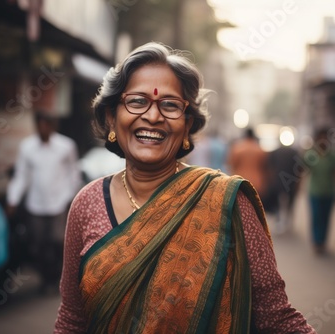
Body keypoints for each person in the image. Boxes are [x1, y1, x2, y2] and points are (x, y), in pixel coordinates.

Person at [53, 42, 315, 333]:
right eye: (137, 101)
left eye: (169, 105)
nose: (153, 116)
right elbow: (72, 320)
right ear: (112, 117)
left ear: (187, 125)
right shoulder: (87, 203)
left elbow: (277, 319)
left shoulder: (227, 203)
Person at [7, 111, 82, 290]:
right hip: (36, 203)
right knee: (37, 243)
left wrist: (71, 197)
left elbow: (74, 174)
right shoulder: (27, 147)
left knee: (58, 241)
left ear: (53, 126)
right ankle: (45, 277)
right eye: (40, 125)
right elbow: (21, 176)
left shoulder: (66, 146)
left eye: (46, 125)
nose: (43, 129)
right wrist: (12, 199)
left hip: (59, 202)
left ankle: (57, 276)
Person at [304, 128, 335, 254]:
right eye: (320, 137)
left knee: (326, 218)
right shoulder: (311, 155)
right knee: (316, 217)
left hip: (329, 192)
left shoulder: (332, 156)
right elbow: (302, 170)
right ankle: (316, 242)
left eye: (325, 137)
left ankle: (323, 241)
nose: (323, 140)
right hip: (314, 192)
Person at [265, 143, 301, 234]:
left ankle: (284, 221)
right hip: (286, 181)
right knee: (282, 202)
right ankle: (283, 221)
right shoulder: (293, 152)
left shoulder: (277, 152)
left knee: (285, 202)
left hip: (285, 181)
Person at [227, 127, 269, 198]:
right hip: (257, 183)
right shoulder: (260, 150)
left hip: (239, 182)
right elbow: (264, 167)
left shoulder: (237, 149)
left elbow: (231, 164)